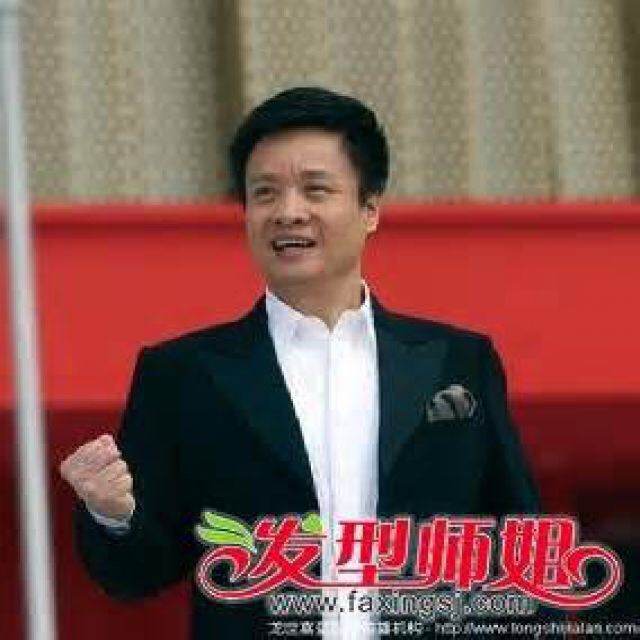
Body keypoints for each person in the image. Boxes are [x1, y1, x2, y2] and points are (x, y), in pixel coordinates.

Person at [60, 87, 545, 639]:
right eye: (264, 193)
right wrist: (113, 513)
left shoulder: (458, 362)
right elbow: (138, 573)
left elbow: (521, 547)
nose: (288, 212)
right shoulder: (183, 375)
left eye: (316, 189)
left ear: (370, 209)